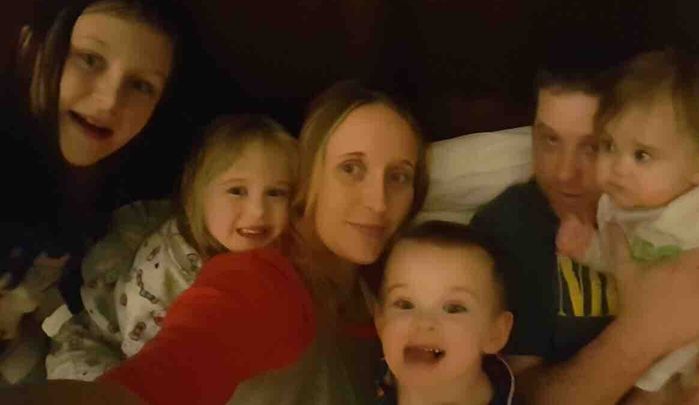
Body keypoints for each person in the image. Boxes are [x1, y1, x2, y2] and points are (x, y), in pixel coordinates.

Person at [3, 80, 429, 405]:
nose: (378, 203)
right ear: (307, 177)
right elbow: (168, 372)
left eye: (399, 176)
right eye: (351, 168)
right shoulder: (266, 281)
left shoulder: (390, 285)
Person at [469, 64, 699, 405]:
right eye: (549, 140)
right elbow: (521, 397)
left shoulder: (693, 206)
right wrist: (643, 332)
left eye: (592, 146)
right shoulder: (513, 226)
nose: (564, 173)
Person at [0, 0, 185, 385]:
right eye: (89, 59)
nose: (109, 101)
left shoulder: (125, 192)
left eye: (140, 85)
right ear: (31, 48)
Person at [45, 114, 298, 380]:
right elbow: (145, 358)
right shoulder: (169, 268)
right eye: (237, 191)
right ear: (199, 194)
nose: (258, 211)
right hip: (101, 346)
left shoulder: (277, 248)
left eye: (276, 193)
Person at [555, 49, 699, 401]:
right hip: (660, 366)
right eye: (609, 146)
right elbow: (627, 265)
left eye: (641, 155)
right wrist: (588, 250)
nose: (616, 167)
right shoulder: (616, 207)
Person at [374, 220, 514, 405]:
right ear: (380, 321)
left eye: (453, 308)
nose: (424, 322)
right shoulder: (356, 379)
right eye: (405, 304)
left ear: (495, 333)